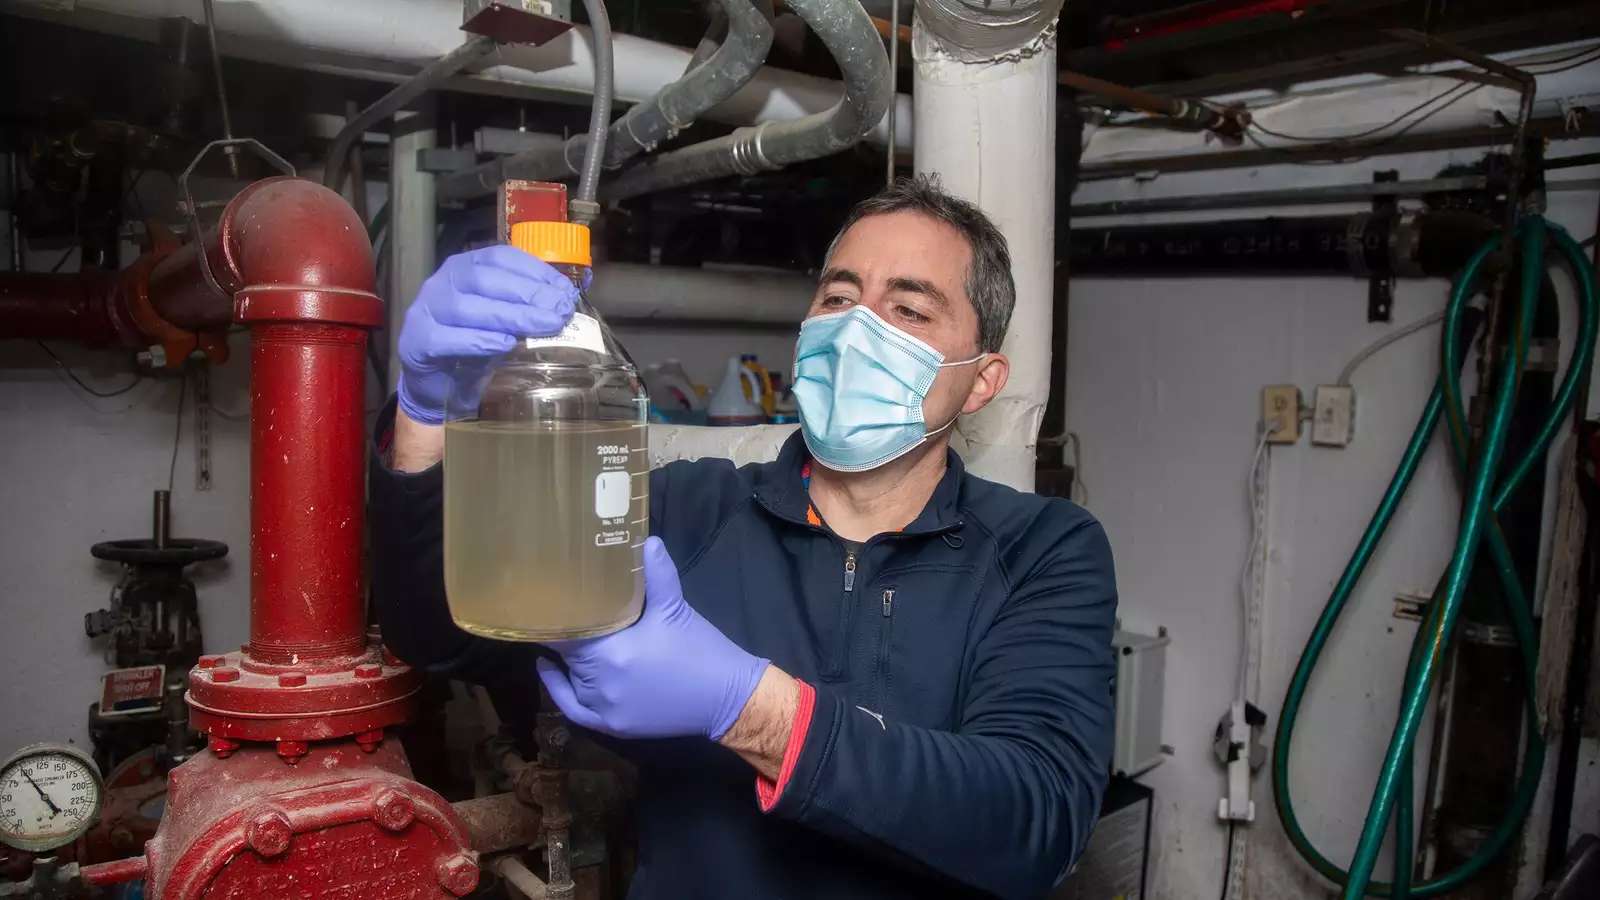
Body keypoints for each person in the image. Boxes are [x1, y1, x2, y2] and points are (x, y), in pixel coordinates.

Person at [370, 176, 1117, 899]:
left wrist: (746, 708)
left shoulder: (1042, 551)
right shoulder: (687, 512)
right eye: (839, 296)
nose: (858, 329)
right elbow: (440, 632)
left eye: (909, 310)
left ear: (982, 380)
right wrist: (429, 414)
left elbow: (1035, 824)